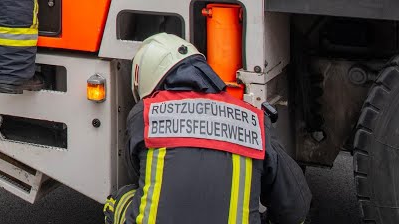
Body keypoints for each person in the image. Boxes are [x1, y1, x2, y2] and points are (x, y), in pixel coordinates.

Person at [104, 33, 310, 224]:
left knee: (120, 199)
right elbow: (295, 206)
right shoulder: (253, 120)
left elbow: (135, 171)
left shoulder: (146, 114)